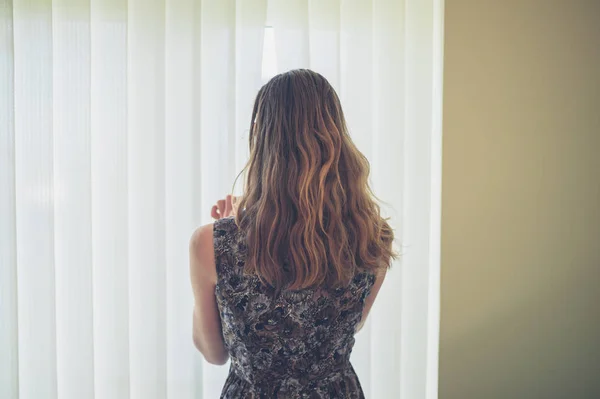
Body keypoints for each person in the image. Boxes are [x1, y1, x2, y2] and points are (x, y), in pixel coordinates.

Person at [189, 69, 396, 398]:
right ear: (337, 138)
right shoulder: (373, 237)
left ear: (261, 139)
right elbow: (348, 328)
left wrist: (232, 226)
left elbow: (214, 353)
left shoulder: (211, 244)